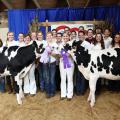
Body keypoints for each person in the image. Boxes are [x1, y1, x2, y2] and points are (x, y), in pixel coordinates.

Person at [40, 32, 59, 98]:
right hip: (45, 63)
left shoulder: (55, 44)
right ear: (46, 37)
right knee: (46, 78)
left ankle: (52, 91)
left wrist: (51, 52)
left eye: (50, 36)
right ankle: (48, 92)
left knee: (52, 78)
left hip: (52, 62)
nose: (49, 37)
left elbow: (57, 54)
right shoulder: (44, 44)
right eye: (47, 36)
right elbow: (41, 53)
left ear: (52, 37)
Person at [75, 31, 92, 96]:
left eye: (82, 35)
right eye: (79, 35)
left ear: (84, 36)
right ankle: (77, 90)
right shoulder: (76, 43)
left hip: (84, 63)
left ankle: (82, 90)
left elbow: (90, 53)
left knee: (83, 77)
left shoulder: (87, 44)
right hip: (78, 62)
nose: (80, 36)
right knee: (78, 76)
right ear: (78, 36)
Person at [59, 32, 74, 100]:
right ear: (62, 37)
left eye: (66, 36)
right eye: (64, 36)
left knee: (70, 78)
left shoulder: (72, 44)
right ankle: (63, 94)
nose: (65, 37)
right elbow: (59, 54)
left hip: (70, 63)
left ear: (69, 37)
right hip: (62, 63)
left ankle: (69, 95)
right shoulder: (60, 45)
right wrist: (64, 55)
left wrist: (68, 54)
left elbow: (72, 53)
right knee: (63, 78)